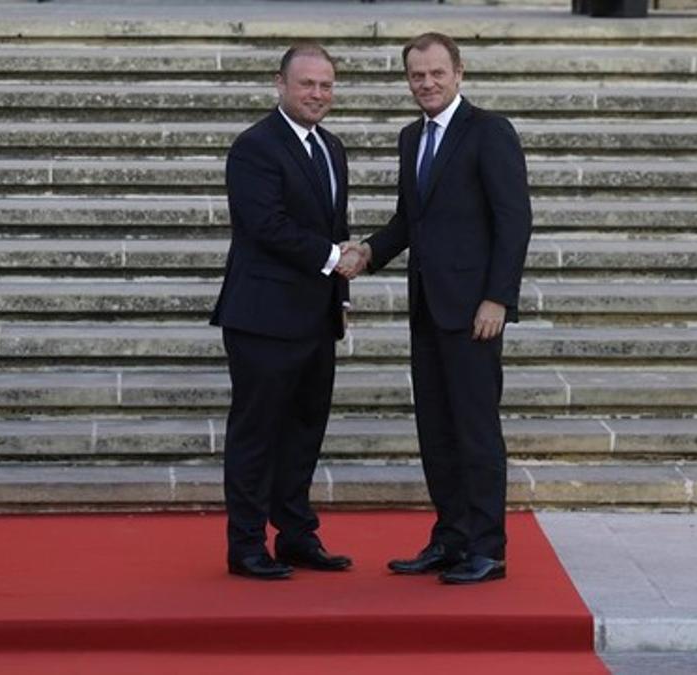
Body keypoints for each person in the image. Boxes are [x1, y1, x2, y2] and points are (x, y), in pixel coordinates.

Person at [340, 32, 533, 585]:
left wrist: (498, 297)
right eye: (416, 75)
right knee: (437, 433)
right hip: (427, 309)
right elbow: (410, 220)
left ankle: (487, 549)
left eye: (435, 73)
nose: (426, 83)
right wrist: (370, 252)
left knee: (474, 432)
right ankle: (450, 538)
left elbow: (514, 220)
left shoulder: (489, 132)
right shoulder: (411, 137)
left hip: (475, 312)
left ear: (459, 72)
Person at [210, 42, 354, 580]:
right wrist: (336, 258)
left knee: (304, 431)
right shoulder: (255, 147)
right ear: (281, 84)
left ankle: (296, 535)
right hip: (263, 320)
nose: (318, 94)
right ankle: (246, 544)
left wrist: (340, 296)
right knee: (257, 434)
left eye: (326, 85)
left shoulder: (332, 147)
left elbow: (333, 226)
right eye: (307, 84)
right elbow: (265, 226)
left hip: (316, 319)